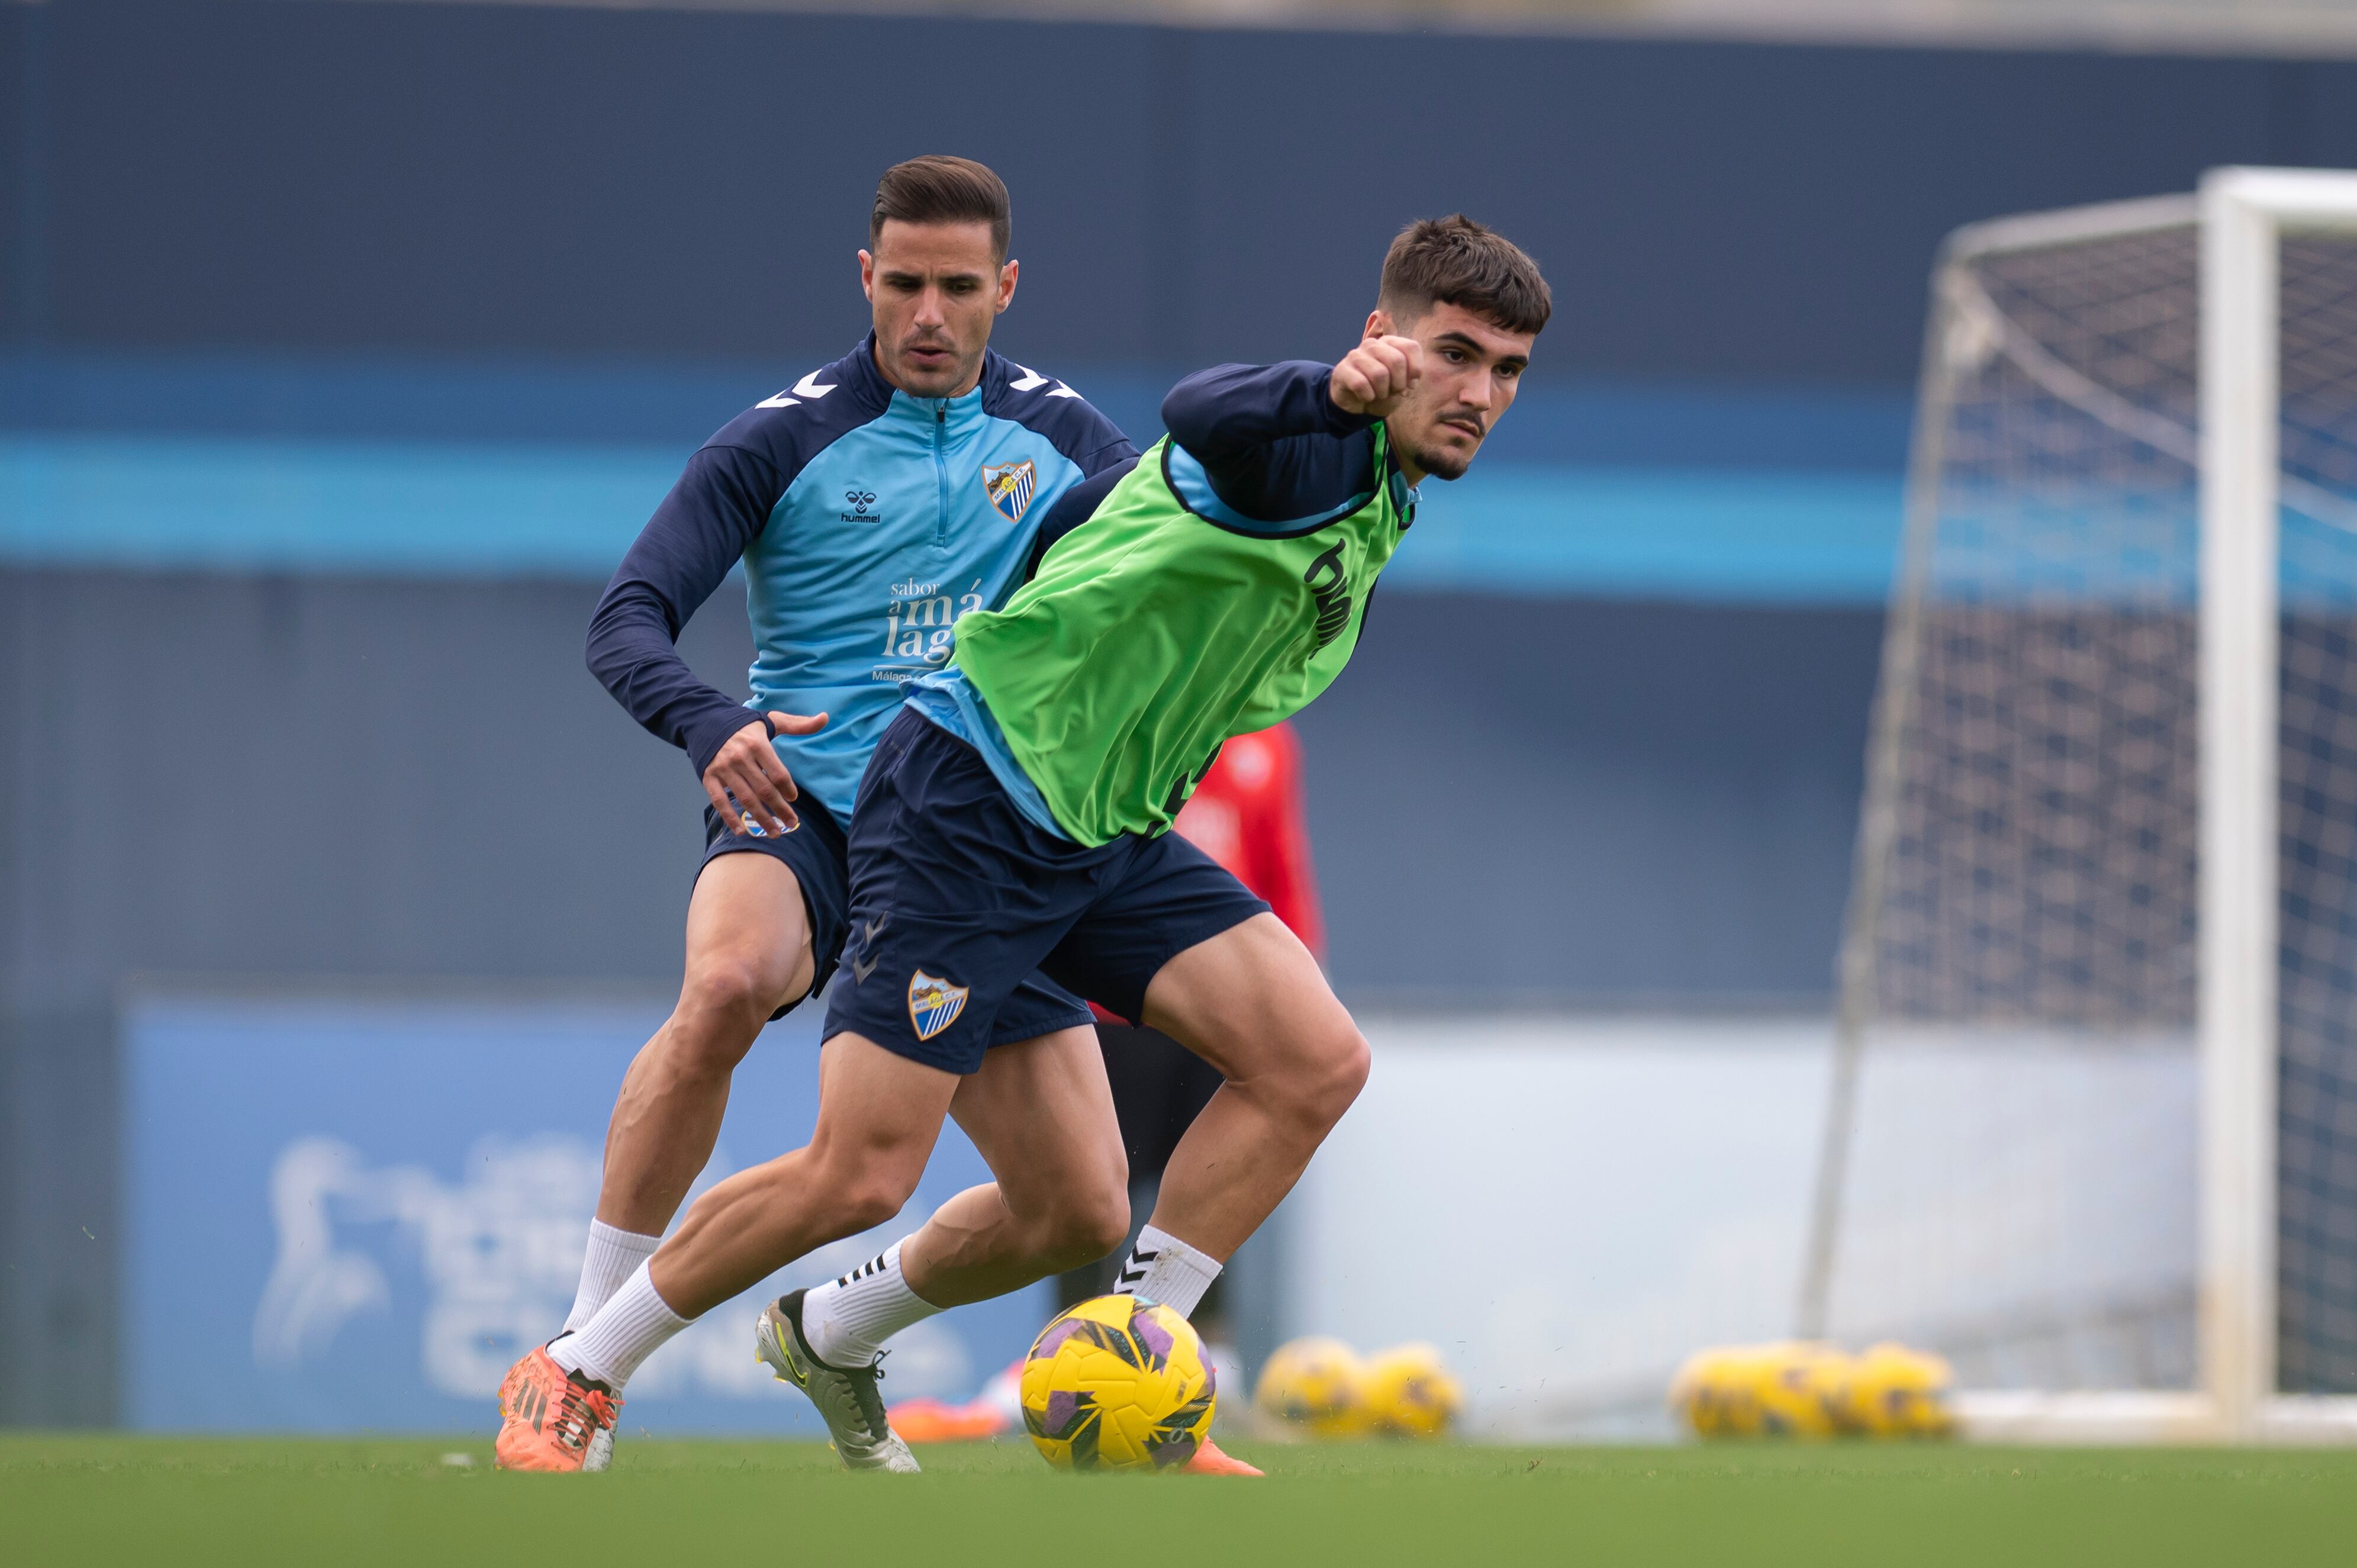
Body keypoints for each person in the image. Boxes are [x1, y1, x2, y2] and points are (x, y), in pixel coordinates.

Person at [539, 214, 1548, 1477]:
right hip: (970, 804)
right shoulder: (1309, 447)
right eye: (1452, 354)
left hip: (1096, 829)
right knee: (858, 1174)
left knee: (1292, 1073)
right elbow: (1206, 409)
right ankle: (581, 1363)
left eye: (1504, 370)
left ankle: (1035, 1356)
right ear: (1380, 340)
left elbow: (1114, 514)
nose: (1477, 391)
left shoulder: (1380, 488)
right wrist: (1323, 393)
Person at [493, 155, 1137, 1472]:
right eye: (903, 282)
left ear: (1004, 288)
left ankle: (837, 1326)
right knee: (728, 982)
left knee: (1080, 1203)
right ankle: (574, 1364)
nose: (928, 314)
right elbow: (627, 618)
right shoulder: (776, 440)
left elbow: (1155, 594)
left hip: (977, 842)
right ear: (865, 276)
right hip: (809, 808)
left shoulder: (1071, 443)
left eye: (959, 287)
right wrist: (708, 719)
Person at [1057, 718, 1326, 1321]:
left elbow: (1279, 863)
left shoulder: (1268, 741)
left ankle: (1196, 1340)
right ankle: (1070, 1333)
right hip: (1111, 1006)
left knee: (1214, 1180)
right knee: (1094, 1187)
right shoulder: (1130, 712)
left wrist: (1301, 985)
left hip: (1224, 1011)